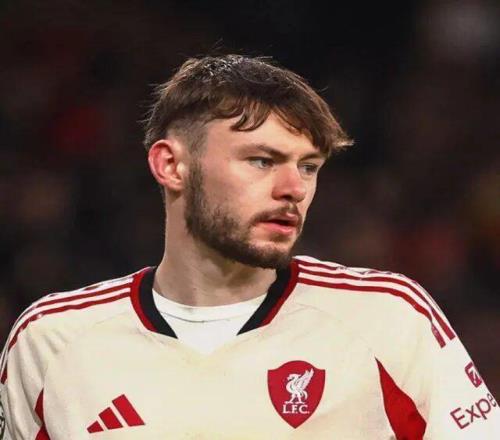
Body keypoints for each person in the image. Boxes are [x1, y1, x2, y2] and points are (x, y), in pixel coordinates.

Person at [0, 54, 498, 439]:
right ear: (171, 165)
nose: (294, 188)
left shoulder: (388, 317)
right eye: (262, 160)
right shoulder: (52, 342)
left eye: (308, 166)